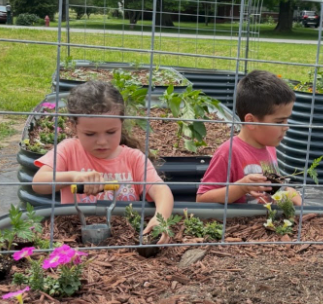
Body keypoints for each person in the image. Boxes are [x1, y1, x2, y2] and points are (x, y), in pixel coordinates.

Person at [32, 81, 174, 243]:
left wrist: (160, 219)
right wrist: (73, 177)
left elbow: (162, 191)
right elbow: (38, 183)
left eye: (111, 132)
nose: (102, 142)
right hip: (74, 237)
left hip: (124, 239)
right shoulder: (68, 149)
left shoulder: (134, 158)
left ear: (121, 123)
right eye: (90, 134)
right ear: (74, 128)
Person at [196, 70, 301, 205]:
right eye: (280, 122)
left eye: (287, 121)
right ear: (251, 121)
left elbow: (275, 188)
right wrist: (241, 187)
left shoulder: (269, 148)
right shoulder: (228, 152)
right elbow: (202, 199)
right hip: (239, 224)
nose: (286, 127)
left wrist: (295, 198)